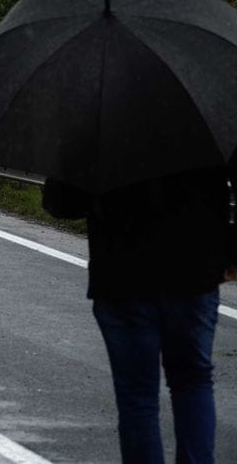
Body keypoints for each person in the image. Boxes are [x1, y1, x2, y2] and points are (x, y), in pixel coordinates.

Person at [42, 167, 237, 463]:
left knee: (137, 399)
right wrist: (231, 253)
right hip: (194, 273)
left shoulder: (97, 125)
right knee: (193, 381)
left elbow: (62, 202)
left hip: (122, 277)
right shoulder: (207, 125)